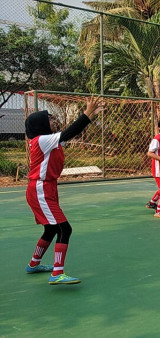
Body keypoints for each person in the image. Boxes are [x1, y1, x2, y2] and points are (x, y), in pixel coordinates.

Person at [24, 95, 104, 285]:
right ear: (41, 125)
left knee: (51, 229)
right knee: (64, 229)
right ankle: (57, 273)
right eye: (50, 119)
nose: (54, 120)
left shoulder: (49, 140)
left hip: (46, 188)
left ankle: (34, 264)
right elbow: (69, 132)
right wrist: (87, 112)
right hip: (40, 189)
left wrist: (91, 115)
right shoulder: (41, 140)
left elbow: (73, 131)